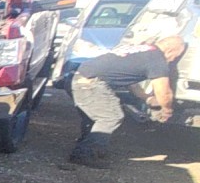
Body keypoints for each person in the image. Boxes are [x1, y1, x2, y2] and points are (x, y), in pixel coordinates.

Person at [69, 36, 187, 168]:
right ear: (171, 50)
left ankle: (91, 146)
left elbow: (128, 77)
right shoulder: (157, 60)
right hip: (91, 84)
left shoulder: (141, 50)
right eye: (176, 56)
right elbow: (164, 92)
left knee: (95, 115)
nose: (173, 60)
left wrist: (146, 98)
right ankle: (84, 154)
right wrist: (167, 109)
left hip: (79, 77)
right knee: (110, 117)